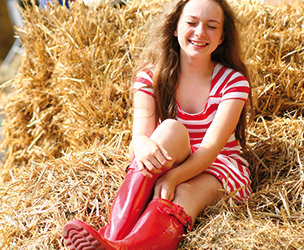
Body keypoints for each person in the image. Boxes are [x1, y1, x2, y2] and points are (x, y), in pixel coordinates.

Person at [62, 0, 253, 249]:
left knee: (183, 193)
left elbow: (209, 150)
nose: (200, 32)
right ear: (175, 27)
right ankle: (114, 235)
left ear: (221, 38)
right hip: (171, 157)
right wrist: (142, 145)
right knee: (170, 130)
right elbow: (139, 140)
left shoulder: (233, 83)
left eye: (212, 26)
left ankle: (124, 247)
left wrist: (173, 178)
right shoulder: (149, 78)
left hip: (218, 167)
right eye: (192, 23)